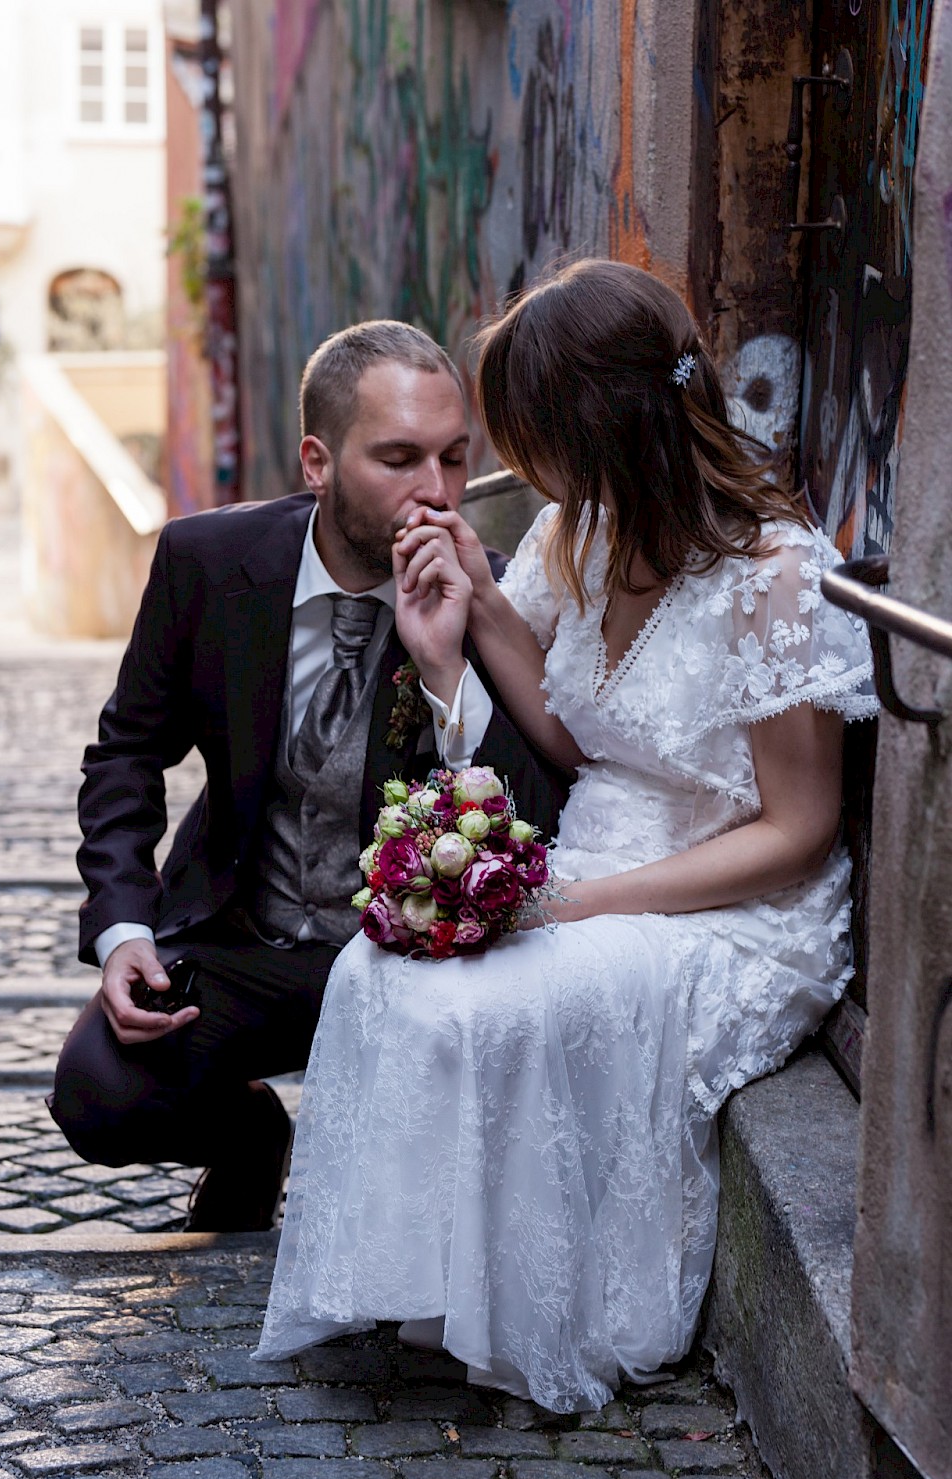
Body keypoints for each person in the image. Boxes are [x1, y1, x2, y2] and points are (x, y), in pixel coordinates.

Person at [254, 260, 880, 1411]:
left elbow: (798, 832)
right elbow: (581, 737)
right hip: (591, 856)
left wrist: (584, 903)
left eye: (538, 433)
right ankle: (423, 1280)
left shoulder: (776, 576)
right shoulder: (571, 536)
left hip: (734, 906)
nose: (519, 465)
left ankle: (526, 1309)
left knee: (498, 999)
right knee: (380, 967)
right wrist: (464, 628)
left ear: (607, 427)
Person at [47, 320, 568, 1232]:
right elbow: (127, 755)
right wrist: (125, 929)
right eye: (399, 458)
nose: (437, 494)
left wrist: (447, 665)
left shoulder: (494, 590)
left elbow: (534, 820)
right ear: (318, 462)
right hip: (243, 936)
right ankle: (251, 1135)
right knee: (100, 1091)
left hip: (403, 957)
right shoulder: (206, 564)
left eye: (453, 458)